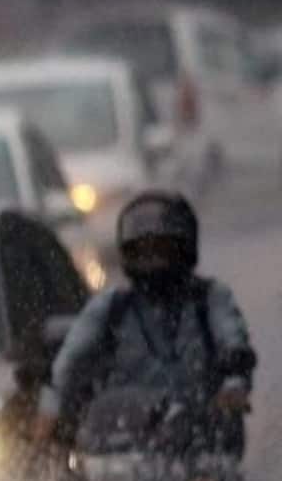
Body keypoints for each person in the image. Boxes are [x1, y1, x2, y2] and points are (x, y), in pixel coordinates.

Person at [33, 190, 255, 444]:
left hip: (203, 435)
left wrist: (234, 384)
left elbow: (233, 340)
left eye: (162, 249)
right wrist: (50, 408)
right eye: (143, 251)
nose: (152, 260)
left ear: (184, 248)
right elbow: (70, 357)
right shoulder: (112, 305)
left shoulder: (210, 298)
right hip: (125, 436)